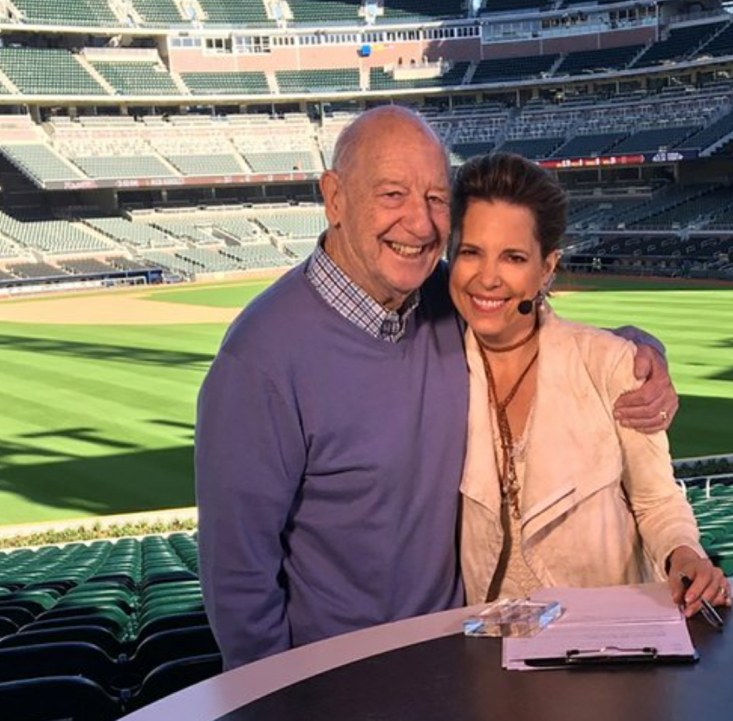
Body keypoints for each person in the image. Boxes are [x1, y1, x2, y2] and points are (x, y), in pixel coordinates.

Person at [196, 107, 680, 670]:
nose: (420, 225)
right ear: (335, 198)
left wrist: (639, 350)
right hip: (344, 685)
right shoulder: (258, 361)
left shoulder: (443, 302)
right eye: (393, 194)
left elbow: (533, 320)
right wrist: (280, 699)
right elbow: (238, 578)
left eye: (434, 198)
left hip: (459, 661)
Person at [449, 153, 730, 614]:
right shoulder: (434, 365)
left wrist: (684, 554)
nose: (487, 278)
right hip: (489, 652)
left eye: (513, 257)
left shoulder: (611, 363)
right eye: (471, 252)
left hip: (604, 646)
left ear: (546, 268)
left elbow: (656, 500)